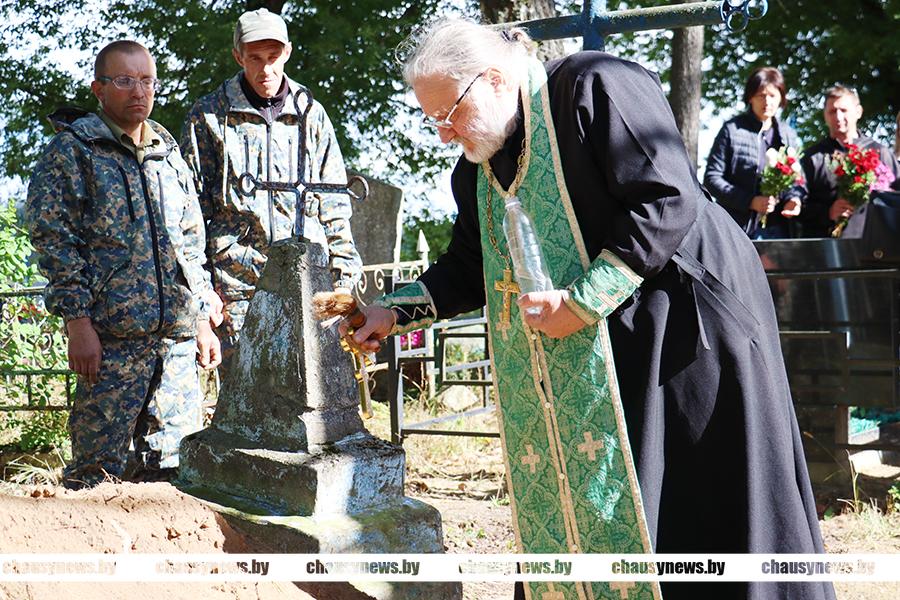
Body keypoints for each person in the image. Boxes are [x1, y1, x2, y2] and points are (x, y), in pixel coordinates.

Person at [343, 19, 835, 600]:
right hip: (603, 350)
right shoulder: (478, 167)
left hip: (687, 326)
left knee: (703, 504)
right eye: (434, 122)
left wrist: (580, 302)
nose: (445, 134)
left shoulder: (596, 85)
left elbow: (667, 196)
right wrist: (391, 313)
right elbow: (470, 266)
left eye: (449, 114)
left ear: (494, 79)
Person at [25, 41, 221, 489]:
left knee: (174, 476)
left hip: (173, 348)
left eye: (147, 81)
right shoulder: (73, 152)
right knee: (95, 477)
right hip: (110, 347)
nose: (139, 91)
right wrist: (78, 323)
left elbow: (190, 244)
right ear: (98, 88)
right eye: (125, 80)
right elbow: (56, 241)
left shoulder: (167, 154)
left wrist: (203, 322)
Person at [181, 8, 362, 359]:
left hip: (308, 281)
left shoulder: (311, 113)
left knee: (312, 401)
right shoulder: (209, 116)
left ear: (288, 52)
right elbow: (191, 216)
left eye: (273, 57)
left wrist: (344, 281)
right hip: (238, 286)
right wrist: (203, 293)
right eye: (255, 58)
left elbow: (335, 204)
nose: (266, 69)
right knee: (247, 406)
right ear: (238, 56)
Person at [704, 66, 803, 239]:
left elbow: (798, 179)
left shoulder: (789, 135)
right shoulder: (732, 130)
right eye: (761, 95)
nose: (767, 102)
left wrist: (794, 199)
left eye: (772, 96)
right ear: (750, 98)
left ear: (781, 98)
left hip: (780, 229)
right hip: (738, 228)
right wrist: (750, 201)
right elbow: (712, 178)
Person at [799, 85, 900, 237]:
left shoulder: (879, 152)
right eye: (832, 111)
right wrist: (828, 212)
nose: (838, 117)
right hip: (824, 247)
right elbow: (797, 205)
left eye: (844, 110)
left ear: (858, 112)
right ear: (825, 116)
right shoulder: (812, 158)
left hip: (874, 246)